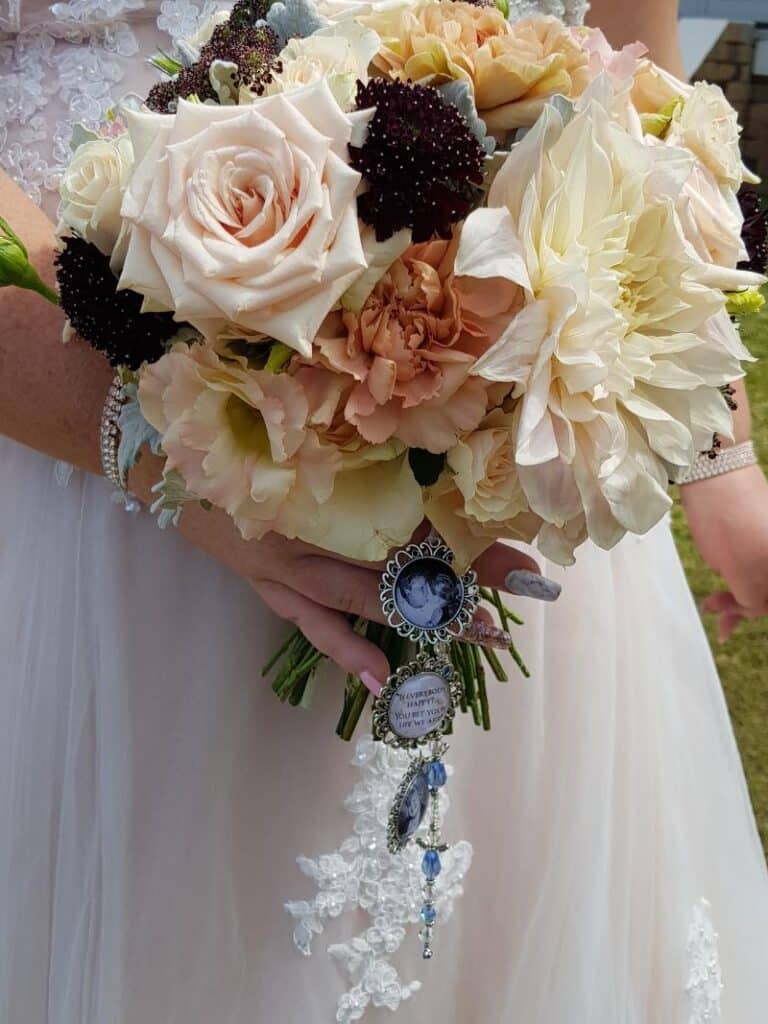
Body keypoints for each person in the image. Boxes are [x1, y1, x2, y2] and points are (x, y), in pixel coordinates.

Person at [0, 0, 767, 1022]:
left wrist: (721, 464)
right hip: (119, 517)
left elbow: (650, 89)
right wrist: (173, 460)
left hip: (527, 468)